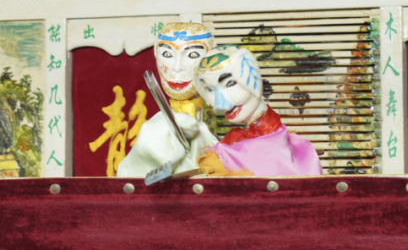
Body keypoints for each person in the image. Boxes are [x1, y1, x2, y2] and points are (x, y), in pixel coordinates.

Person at [193, 46, 323, 176]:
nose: (219, 104)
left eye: (230, 83)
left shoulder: (278, 143)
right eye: (209, 89)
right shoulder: (236, 139)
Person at [116, 22, 219, 177]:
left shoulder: (224, 114)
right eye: (167, 54)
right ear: (156, 54)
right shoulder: (154, 132)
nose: (177, 67)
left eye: (192, 55)